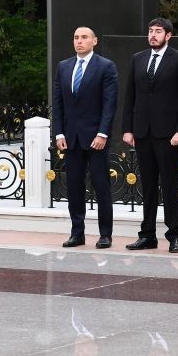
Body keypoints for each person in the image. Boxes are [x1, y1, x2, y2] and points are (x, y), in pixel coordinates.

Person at [122, 18, 178, 254]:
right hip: (142, 132)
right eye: (150, 31)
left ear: (168, 35)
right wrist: (127, 128)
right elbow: (130, 96)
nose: (153, 35)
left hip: (168, 134)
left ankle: (174, 235)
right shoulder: (138, 59)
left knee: (170, 185)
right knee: (149, 186)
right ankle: (147, 235)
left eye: (158, 31)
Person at [52, 27, 119, 249]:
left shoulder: (106, 66)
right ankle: (77, 233)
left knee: (101, 186)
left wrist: (103, 133)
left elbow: (109, 104)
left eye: (84, 38)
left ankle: (105, 234)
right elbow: (58, 101)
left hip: (96, 138)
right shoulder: (64, 66)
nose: (79, 41)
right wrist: (59, 132)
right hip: (71, 138)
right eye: (76, 38)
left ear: (94, 41)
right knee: (74, 186)